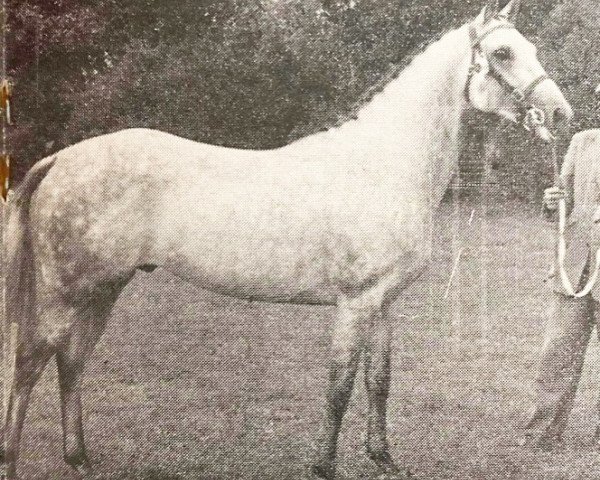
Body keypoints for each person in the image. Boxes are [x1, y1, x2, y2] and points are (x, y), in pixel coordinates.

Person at [523, 129, 600, 449]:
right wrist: (552, 203)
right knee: (556, 352)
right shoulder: (583, 141)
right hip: (576, 265)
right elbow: (563, 200)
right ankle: (543, 433)